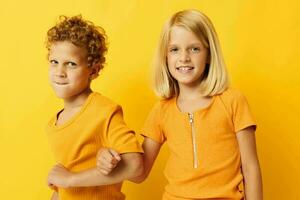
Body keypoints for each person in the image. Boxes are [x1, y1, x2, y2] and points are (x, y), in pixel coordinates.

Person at [96, 9, 263, 200]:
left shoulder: (233, 100)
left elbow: (250, 168)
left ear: (209, 54)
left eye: (194, 48)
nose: (184, 57)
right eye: (174, 49)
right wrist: (108, 159)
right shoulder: (162, 111)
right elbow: (139, 172)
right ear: (165, 57)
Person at [45, 15, 143, 200]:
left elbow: (135, 165)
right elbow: (66, 186)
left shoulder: (104, 111)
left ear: (94, 70)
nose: (59, 72)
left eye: (71, 64)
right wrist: (61, 185)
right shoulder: (53, 124)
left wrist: (70, 179)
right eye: (54, 62)